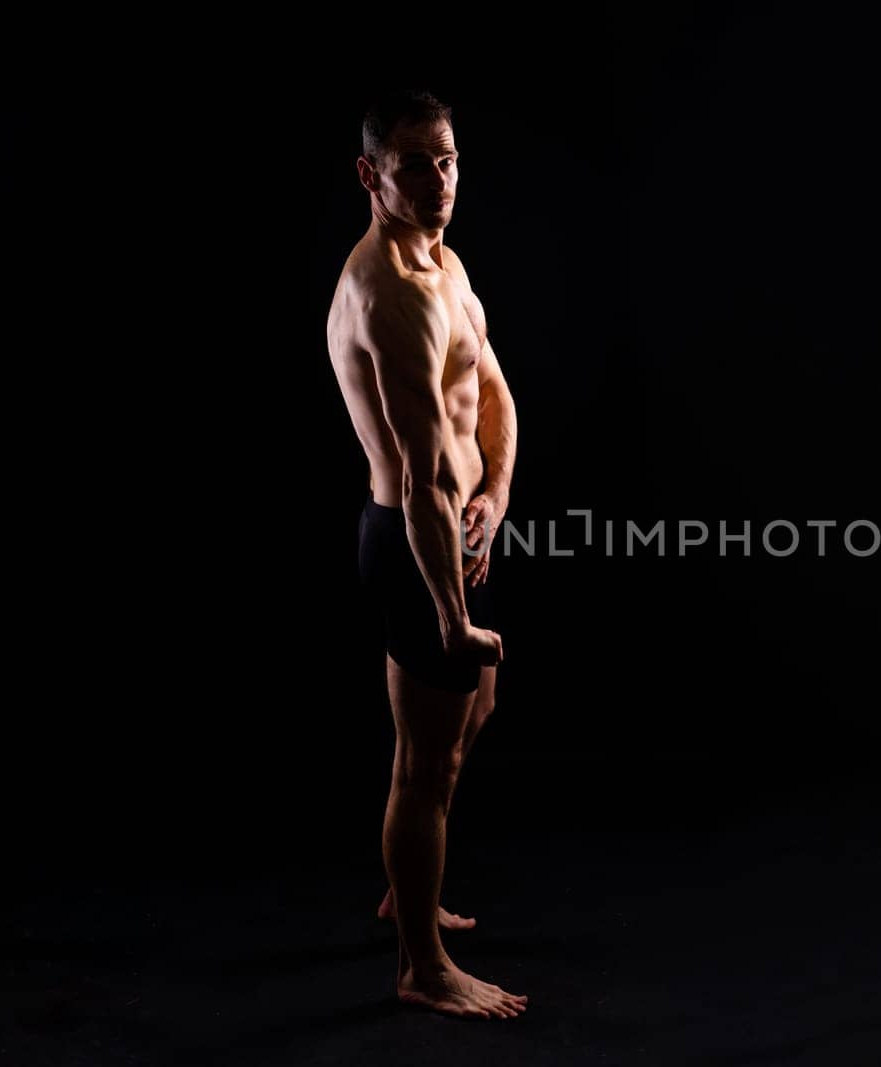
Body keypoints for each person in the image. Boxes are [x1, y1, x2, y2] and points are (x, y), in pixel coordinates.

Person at [325, 89, 525, 1020]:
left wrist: (499, 495)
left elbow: (494, 389)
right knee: (422, 764)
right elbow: (418, 485)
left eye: (445, 158)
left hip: (458, 533)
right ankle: (421, 962)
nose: (436, 180)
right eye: (412, 163)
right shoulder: (388, 292)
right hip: (413, 546)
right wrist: (451, 615)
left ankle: (407, 882)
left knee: (464, 725)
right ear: (371, 174)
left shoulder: (446, 266)